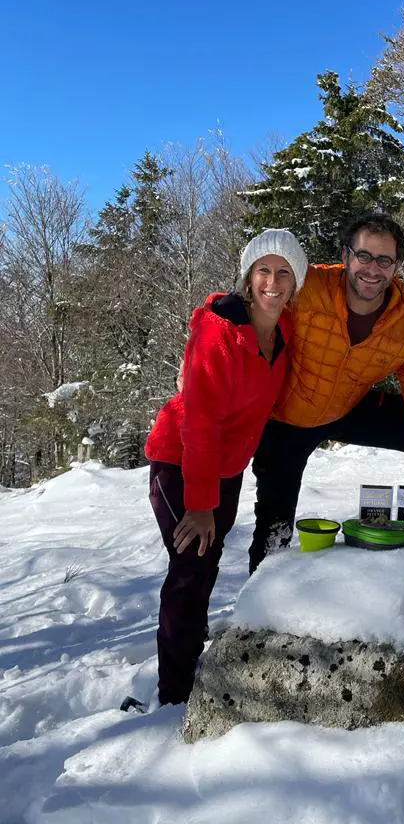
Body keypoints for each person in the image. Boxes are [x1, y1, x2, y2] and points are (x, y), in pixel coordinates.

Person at [249, 212, 404, 574]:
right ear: (346, 256)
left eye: (385, 260)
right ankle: (258, 605)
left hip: (348, 407)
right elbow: (247, 300)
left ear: (397, 266)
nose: (373, 269)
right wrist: (208, 340)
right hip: (287, 416)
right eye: (364, 256)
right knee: (273, 527)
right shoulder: (307, 287)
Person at [145, 229, 308, 706]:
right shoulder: (218, 334)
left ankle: (190, 661)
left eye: (283, 272)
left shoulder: (285, 333)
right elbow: (199, 422)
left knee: (206, 565)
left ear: (295, 282)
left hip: (227, 468)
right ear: (247, 277)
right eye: (263, 271)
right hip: (182, 461)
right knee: (190, 570)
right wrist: (199, 505)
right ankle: (173, 693)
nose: (272, 282)